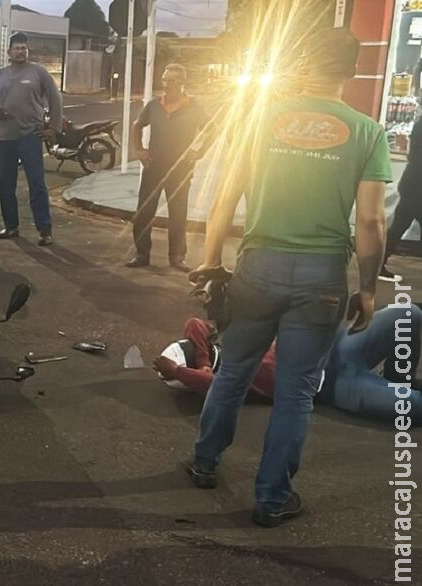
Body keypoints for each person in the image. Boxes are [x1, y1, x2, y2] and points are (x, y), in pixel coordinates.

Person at [186, 29, 392, 528]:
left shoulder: (263, 119)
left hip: (258, 266)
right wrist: (366, 289)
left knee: (233, 370)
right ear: (350, 71)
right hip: (322, 275)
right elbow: (370, 223)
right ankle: (273, 497)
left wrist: (213, 260)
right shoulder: (367, 132)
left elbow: (224, 197)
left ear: (303, 62)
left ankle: (204, 462)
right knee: (297, 390)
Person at [154, 306, 422, 420]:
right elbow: (206, 382)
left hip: (335, 347)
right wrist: (178, 371)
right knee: (414, 407)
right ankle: (398, 386)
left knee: (408, 314)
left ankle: (399, 377)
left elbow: (195, 324)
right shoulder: (229, 382)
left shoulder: (226, 348)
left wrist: (196, 360)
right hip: (335, 385)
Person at [127, 64, 209, 273]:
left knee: (178, 213)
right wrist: (140, 149)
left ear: (182, 83)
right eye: (164, 80)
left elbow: (212, 130)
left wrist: (199, 152)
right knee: (145, 210)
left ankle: (177, 256)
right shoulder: (155, 106)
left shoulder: (194, 107)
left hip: (181, 168)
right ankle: (142, 253)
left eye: (172, 81)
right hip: (154, 166)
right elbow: (138, 125)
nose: (167, 85)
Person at [0, 32, 63, 247]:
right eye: (17, 48)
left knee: (37, 184)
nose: (21, 51)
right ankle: (11, 226)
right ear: (9, 52)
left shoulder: (38, 73)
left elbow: (55, 99)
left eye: (24, 48)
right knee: (6, 184)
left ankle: (44, 229)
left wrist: (54, 127)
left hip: (30, 136)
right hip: (5, 138)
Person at [379, 115, 421, 282]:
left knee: (398, 226)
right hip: (417, 185)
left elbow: (412, 155)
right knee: (398, 226)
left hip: (412, 182)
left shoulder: (419, 125)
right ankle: (378, 264)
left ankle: (378, 264)